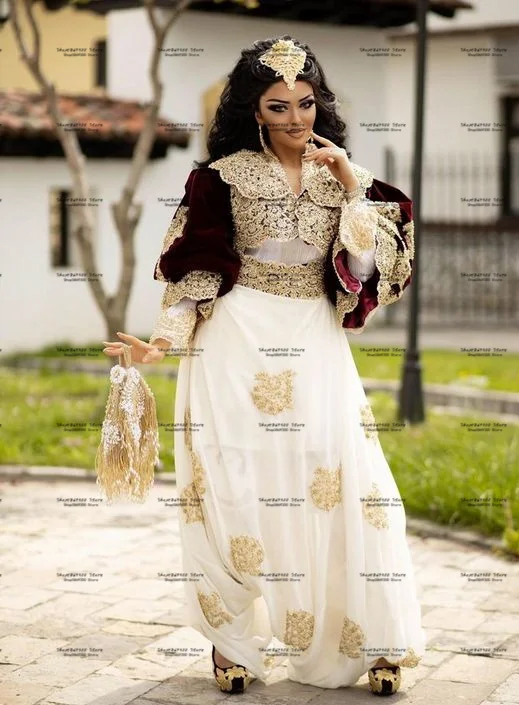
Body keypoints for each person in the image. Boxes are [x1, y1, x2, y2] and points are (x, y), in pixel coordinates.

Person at [103, 35, 425, 697]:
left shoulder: (345, 176)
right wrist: (158, 345)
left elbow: (372, 273)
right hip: (234, 339)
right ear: (255, 110)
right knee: (232, 486)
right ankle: (232, 646)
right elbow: (195, 267)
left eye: (306, 103)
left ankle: (374, 640)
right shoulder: (220, 177)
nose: (296, 118)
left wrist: (351, 191)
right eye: (279, 106)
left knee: (346, 483)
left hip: (313, 339)